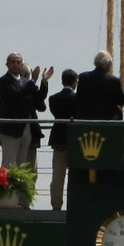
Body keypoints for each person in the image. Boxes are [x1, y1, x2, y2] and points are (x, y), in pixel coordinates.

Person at [0, 52, 50, 179]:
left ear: (21, 64)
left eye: (18, 62)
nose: (15, 64)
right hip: (10, 129)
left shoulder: (26, 82)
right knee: (9, 165)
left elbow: (38, 99)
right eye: (13, 62)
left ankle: (18, 197)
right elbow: (16, 96)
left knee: (22, 166)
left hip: (26, 127)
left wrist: (43, 82)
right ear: (7, 64)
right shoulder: (4, 81)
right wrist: (33, 81)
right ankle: (7, 196)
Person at [44, 69, 78, 211]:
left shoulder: (53, 99)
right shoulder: (78, 99)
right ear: (75, 82)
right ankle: (74, 204)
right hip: (74, 139)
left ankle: (56, 205)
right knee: (75, 176)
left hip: (58, 138)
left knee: (57, 175)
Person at [74, 51, 124, 120]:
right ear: (108, 64)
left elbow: (79, 97)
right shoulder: (114, 80)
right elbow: (121, 101)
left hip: (86, 119)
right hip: (107, 120)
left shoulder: (83, 77)